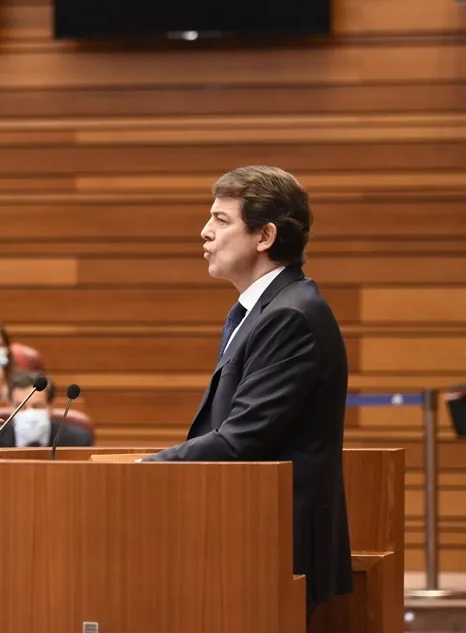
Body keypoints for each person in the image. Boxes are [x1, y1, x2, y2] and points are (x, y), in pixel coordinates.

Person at [138, 165, 352, 620]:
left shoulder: (290, 315)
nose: (205, 231)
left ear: (264, 236)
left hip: (274, 544)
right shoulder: (264, 310)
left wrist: (143, 471)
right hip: (247, 535)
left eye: (221, 219)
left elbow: (243, 439)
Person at [0, 372, 92, 448]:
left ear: (50, 407)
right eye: (21, 407)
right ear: (10, 407)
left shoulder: (77, 440)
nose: (29, 413)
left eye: (37, 406)